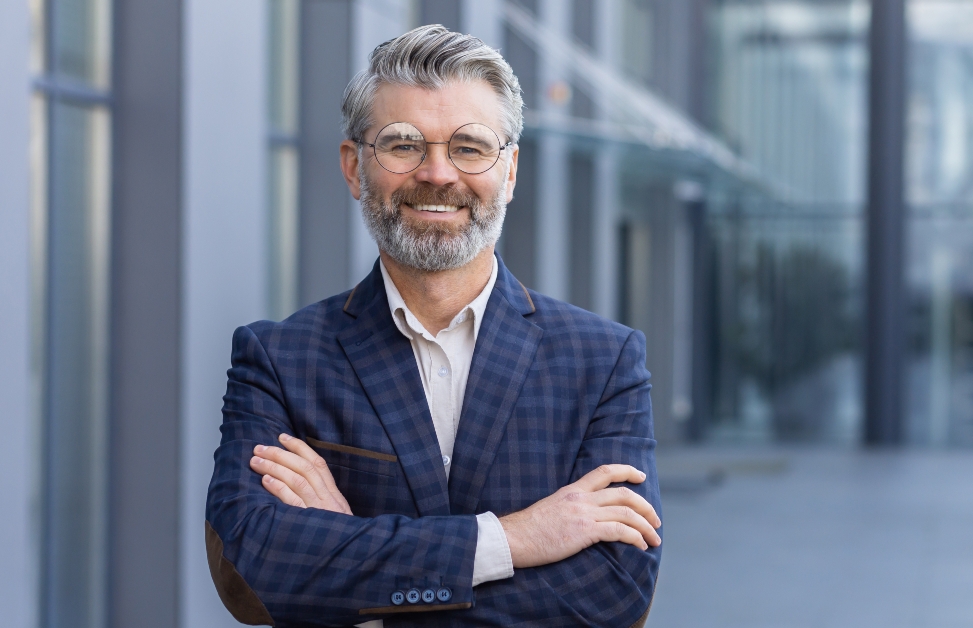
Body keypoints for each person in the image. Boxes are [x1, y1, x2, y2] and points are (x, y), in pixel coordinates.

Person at [204, 24, 662, 627]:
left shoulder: (604, 362)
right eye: (403, 144)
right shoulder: (278, 359)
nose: (438, 174)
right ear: (353, 167)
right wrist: (514, 540)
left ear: (511, 170)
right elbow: (254, 567)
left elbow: (615, 588)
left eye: (469, 147)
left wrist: (354, 571)